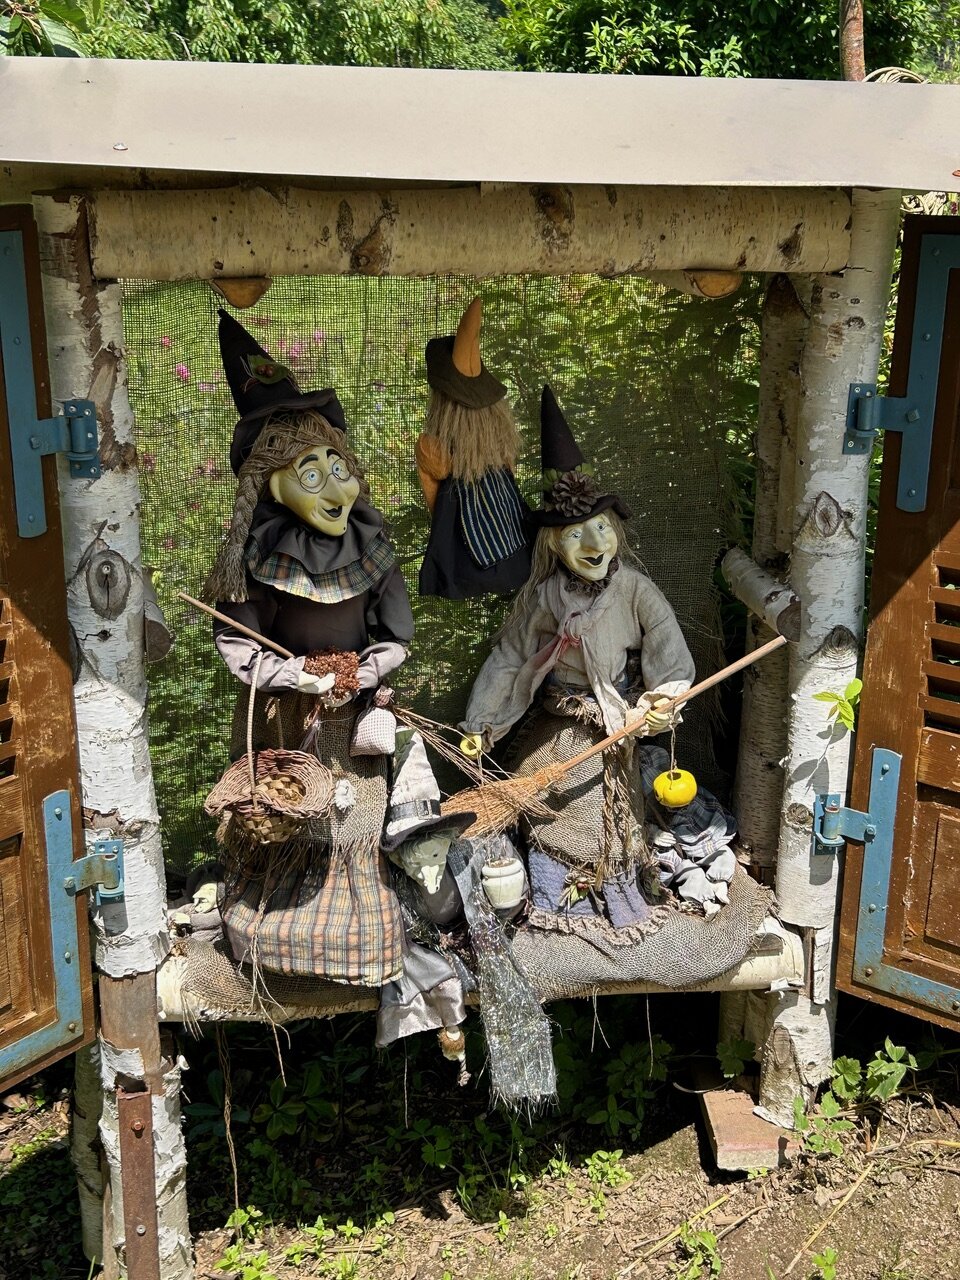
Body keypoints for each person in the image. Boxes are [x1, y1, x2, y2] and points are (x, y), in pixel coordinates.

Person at [459, 385, 733, 940]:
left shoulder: (635, 590)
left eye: (602, 528)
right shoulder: (545, 597)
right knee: (556, 805)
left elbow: (666, 646)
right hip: (561, 721)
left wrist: (663, 699)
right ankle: (559, 901)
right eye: (575, 534)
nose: (593, 541)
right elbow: (511, 654)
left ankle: (617, 895)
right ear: (553, 545)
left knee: (618, 811)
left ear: (617, 531)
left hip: (617, 721)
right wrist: (481, 722)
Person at [203, 308, 414, 987]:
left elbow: (395, 634)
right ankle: (280, 932)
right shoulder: (257, 555)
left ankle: (361, 925)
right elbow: (238, 640)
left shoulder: (371, 546)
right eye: (308, 473)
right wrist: (294, 676)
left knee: (354, 817)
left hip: (352, 716)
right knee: (287, 814)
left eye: (336, 466)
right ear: (270, 483)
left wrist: (360, 672)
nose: (332, 486)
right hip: (285, 720)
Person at [416, 297, 532, 599]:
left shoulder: (436, 446)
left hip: (471, 565)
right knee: (515, 536)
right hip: (514, 542)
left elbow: (435, 485)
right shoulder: (497, 437)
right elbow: (509, 466)